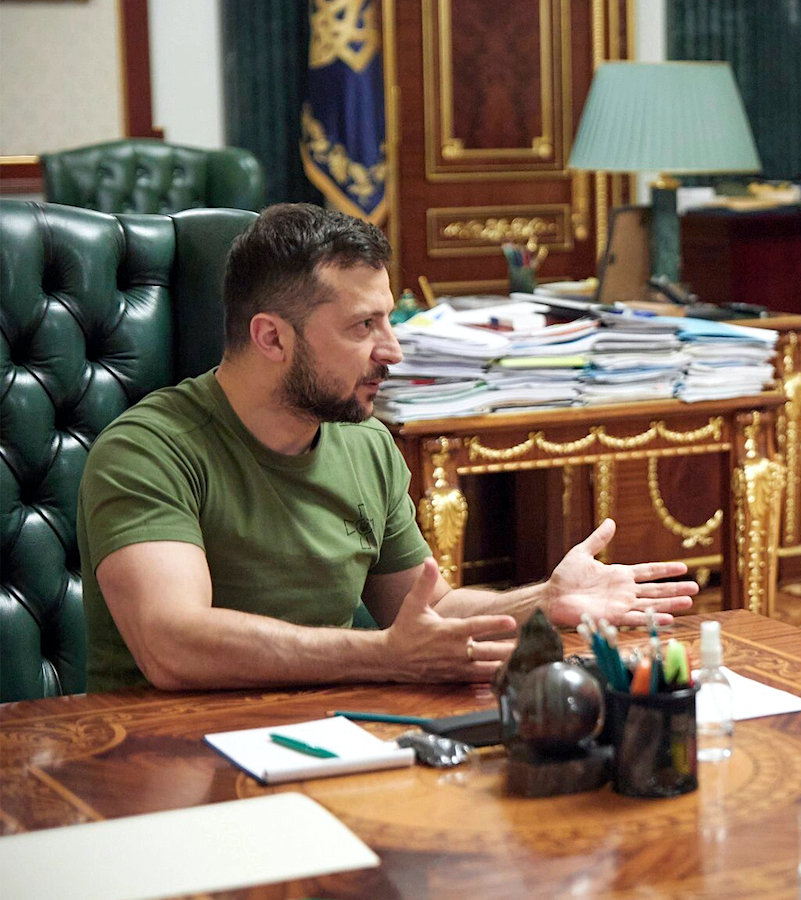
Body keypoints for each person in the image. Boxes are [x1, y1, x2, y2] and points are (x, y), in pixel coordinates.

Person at [78, 203, 699, 692]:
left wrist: (544, 599)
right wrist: (382, 655)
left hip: (327, 729)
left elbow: (423, 613)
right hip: (164, 756)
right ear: (270, 337)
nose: (393, 351)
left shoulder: (367, 444)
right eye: (362, 327)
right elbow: (173, 646)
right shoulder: (147, 452)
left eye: (387, 321)